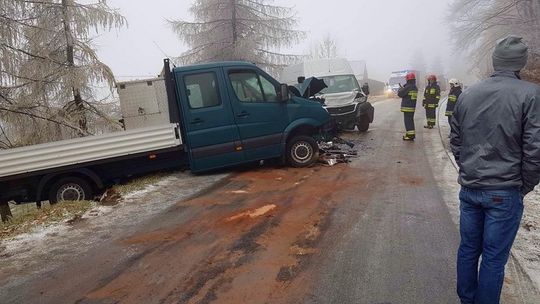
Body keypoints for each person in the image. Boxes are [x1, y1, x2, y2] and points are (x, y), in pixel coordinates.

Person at [450, 35, 540, 304]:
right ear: (520, 63)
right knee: (493, 258)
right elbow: (535, 149)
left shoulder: (468, 94)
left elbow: (456, 140)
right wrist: (523, 185)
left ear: (495, 61)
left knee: (468, 249)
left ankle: (467, 300)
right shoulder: (531, 94)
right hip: (504, 192)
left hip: (471, 188)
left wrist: (468, 168)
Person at [398, 72, 418, 141]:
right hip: (412, 107)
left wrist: (400, 88)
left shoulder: (409, 87)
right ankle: (410, 134)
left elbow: (400, 94)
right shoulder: (414, 87)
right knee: (410, 121)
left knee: (408, 121)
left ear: (408, 80)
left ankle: (410, 136)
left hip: (407, 108)